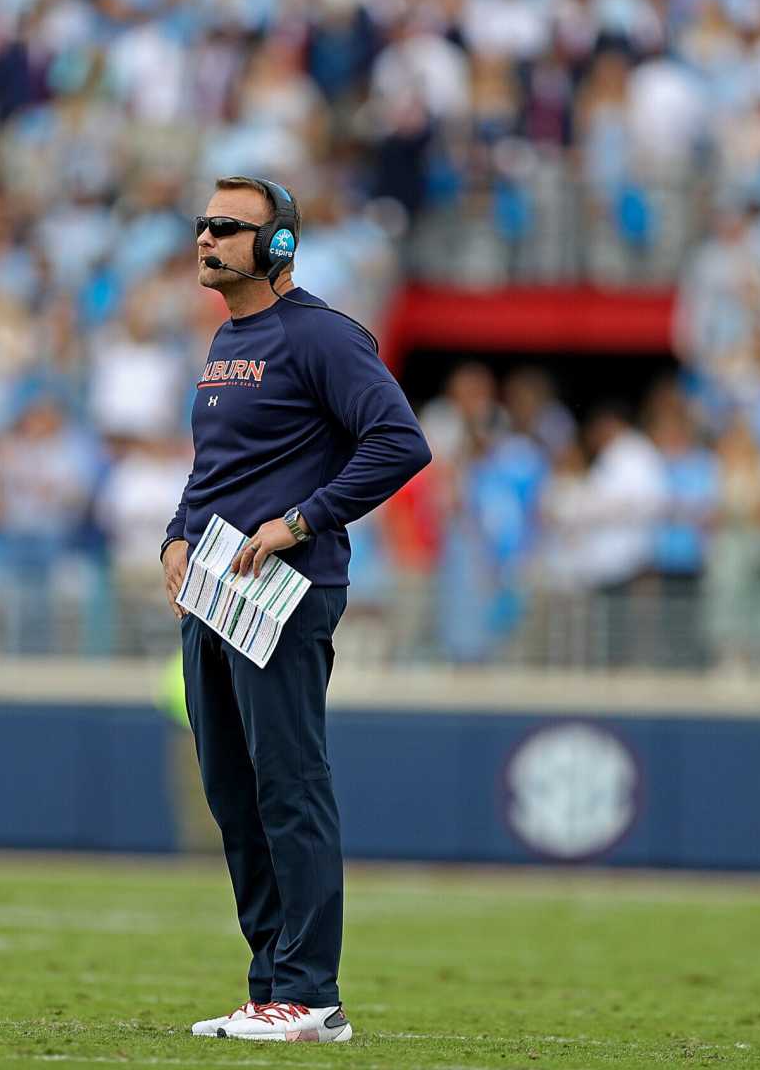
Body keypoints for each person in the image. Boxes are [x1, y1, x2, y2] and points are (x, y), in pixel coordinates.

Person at [161, 177, 431, 1043]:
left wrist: (300, 520)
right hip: (212, 591)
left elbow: (400, 442)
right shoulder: (226, 340)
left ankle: (312, 994)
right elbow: (218, 470)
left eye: (227, 228)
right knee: (234, 796)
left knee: (289, 786)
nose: (206, 239)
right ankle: (270, 987)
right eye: (203, 225)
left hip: (284, 594)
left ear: (277, 246)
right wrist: (174, 533)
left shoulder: (319, 335)